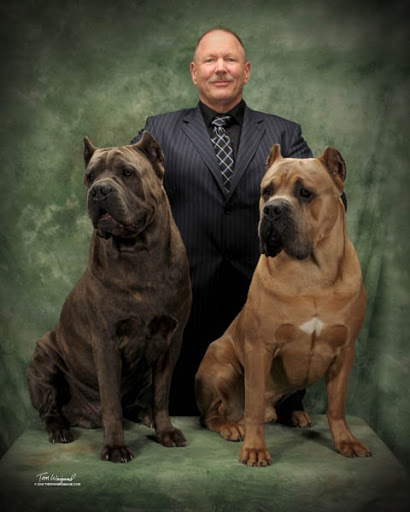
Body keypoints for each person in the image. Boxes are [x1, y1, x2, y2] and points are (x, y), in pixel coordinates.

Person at [131, 28, 316, 417]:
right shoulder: (159, 130)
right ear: (194, 72)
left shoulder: (284, 132)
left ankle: (284, 406)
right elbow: (132, 192)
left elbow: (323, 197)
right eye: (210, 61)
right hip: (185, 289)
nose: (221, 68)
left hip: (265, 287)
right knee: (183, 412)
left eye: (230, 60)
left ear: (246, 71)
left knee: (268, 393)